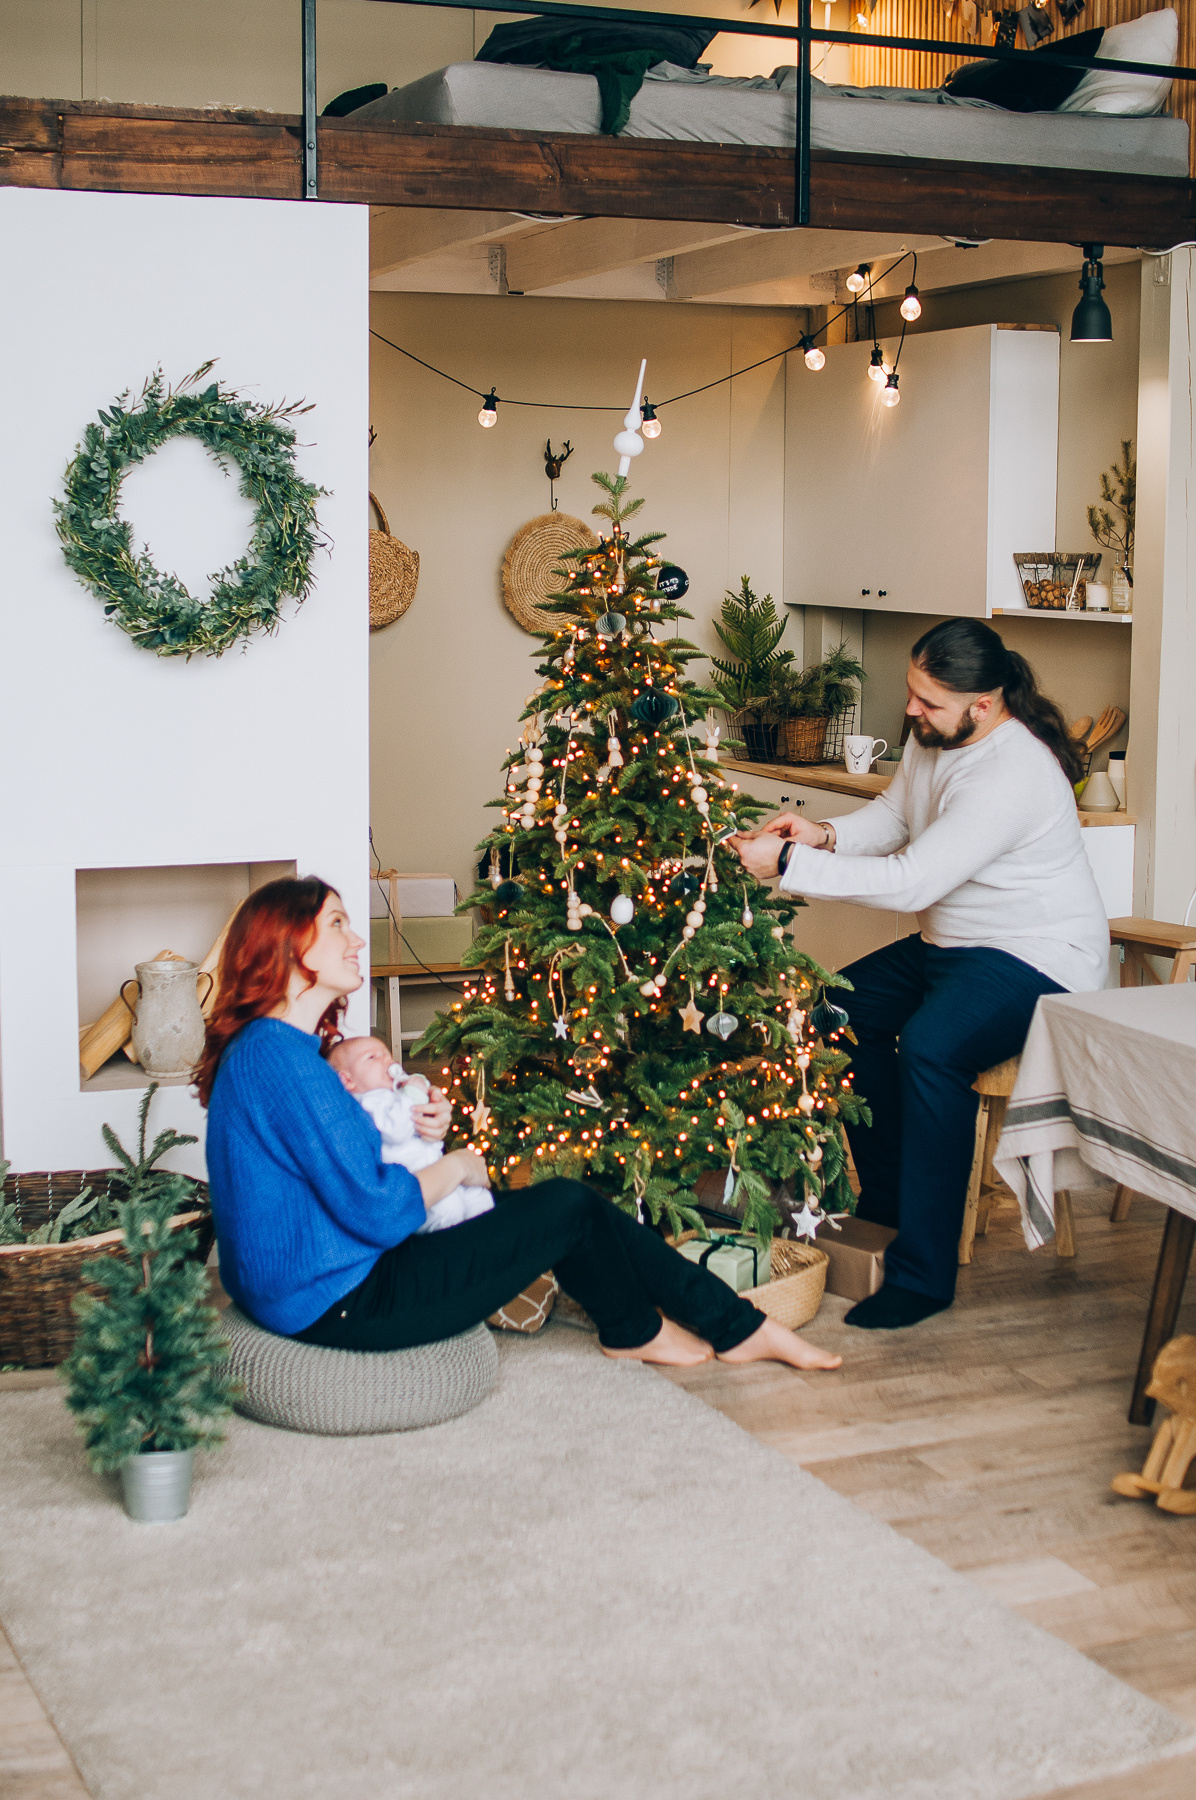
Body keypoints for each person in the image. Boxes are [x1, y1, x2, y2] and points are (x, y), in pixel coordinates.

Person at [197, 876, 842, 1371]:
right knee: (565, 1205)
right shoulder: (284, 1063)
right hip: (342, 1300)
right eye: (338, 923)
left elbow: (349, 1168)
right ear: (288, 947)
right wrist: (456, 1166)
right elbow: (376, 1210)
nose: (357, 937)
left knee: (568, 1207)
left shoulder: (272, 1052)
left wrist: (421, 1129)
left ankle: (647, 1329)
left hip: (321, 1280)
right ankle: (719, 1328)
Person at [730, 618, 1108, 1330]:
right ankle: (891, 1202)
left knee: (932, 1049)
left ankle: (924, 1275)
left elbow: (910, 881)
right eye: (912, 693)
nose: (911, 710)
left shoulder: (1014, 773)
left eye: (928, 701)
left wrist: (787, 865)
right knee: (829, 1014)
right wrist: (822, 834)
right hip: (953, 944)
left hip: (1037, 956)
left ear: (985, 704)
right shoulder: (935, 737)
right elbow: (898, 815)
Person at [329, 1034, 495, 1233]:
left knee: (479, 1196)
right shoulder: (366, 1105)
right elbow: (395, 1131)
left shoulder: (396, 1094)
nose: (387, 1060)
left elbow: (423, 1112)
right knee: (450, 1211)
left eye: (387, 1055)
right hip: (417, 1185)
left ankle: (487, 1234)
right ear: (347, 1080)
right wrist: (412, 1095)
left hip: (437, 1169)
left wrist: (422, 1089)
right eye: (372, 1057)